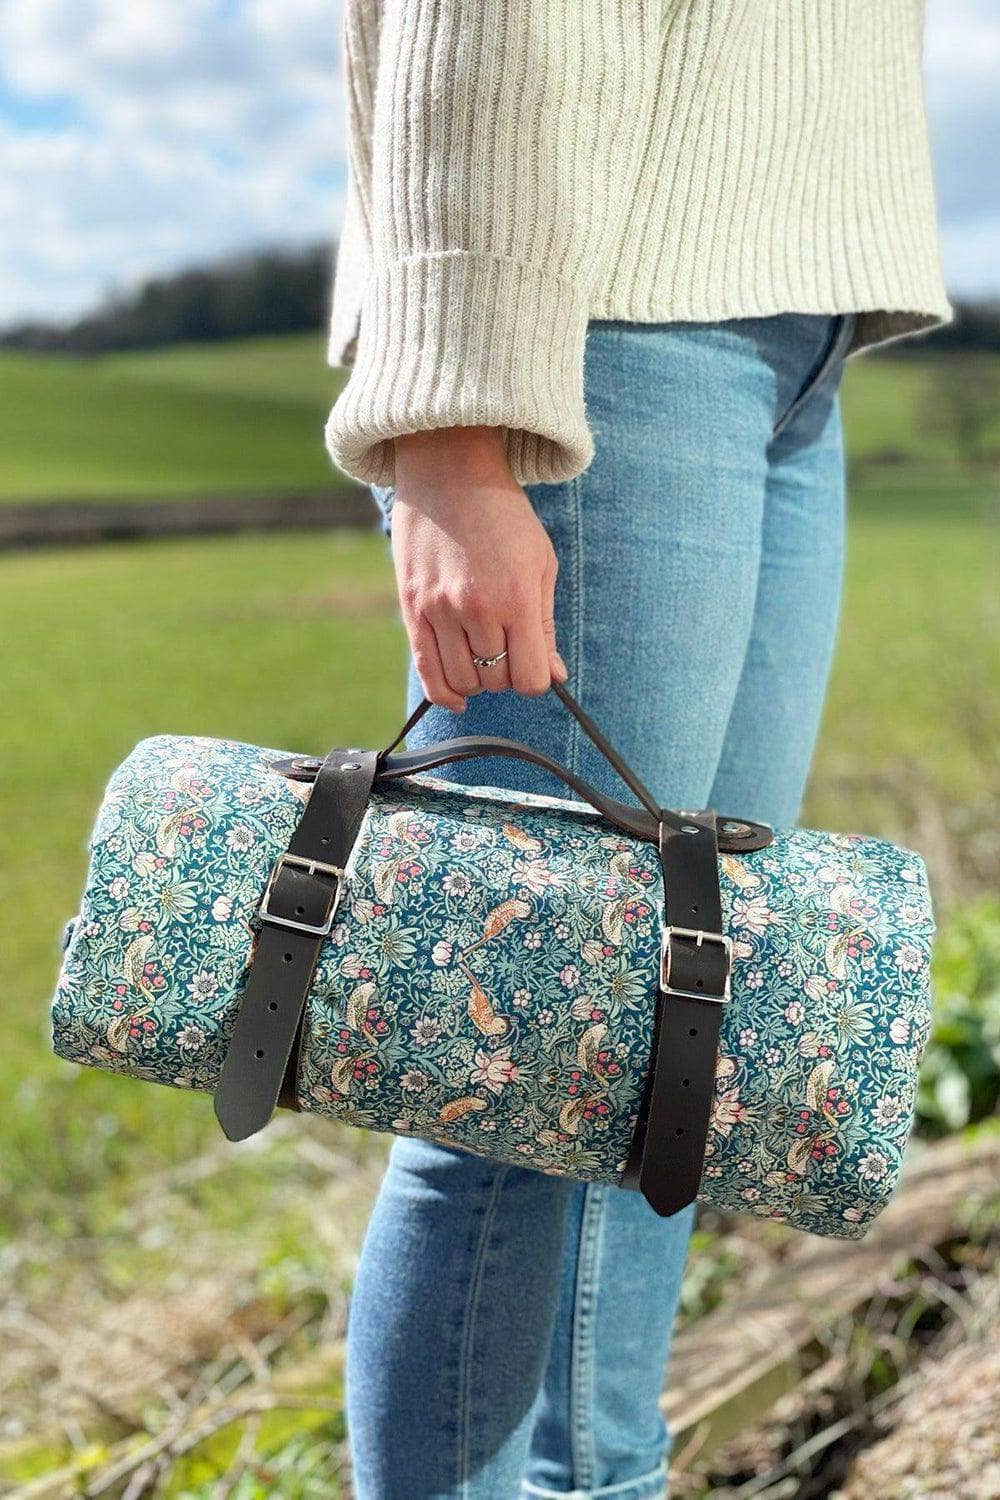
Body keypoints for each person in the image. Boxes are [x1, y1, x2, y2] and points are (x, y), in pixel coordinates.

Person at [323, 6, 948, 1498]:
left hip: (800, 332)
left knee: (671, 1044)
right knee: (503, 1055)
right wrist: (455, 433)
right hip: (599, 325)